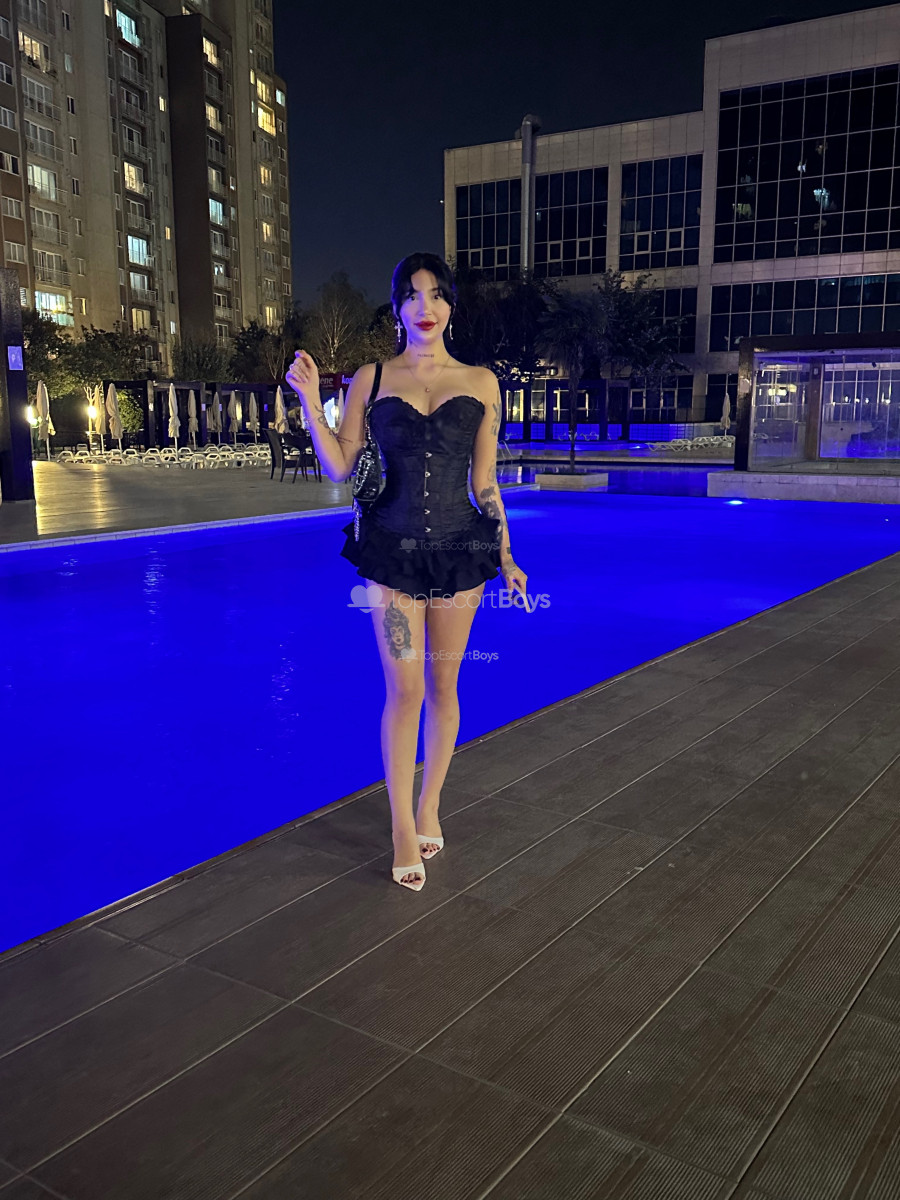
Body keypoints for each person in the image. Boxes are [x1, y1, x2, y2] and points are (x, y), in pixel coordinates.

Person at [286, 251, 528, 892]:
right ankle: (400, 827)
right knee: (405, 690)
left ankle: (429, 806)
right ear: (397, 307)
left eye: (437, 294)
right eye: (413, 295)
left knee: (445, 688)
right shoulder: (370, 378)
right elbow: (341, 467)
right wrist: (311, 401)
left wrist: (506, 554)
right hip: (392, 555)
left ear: (451, 305)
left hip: (461, 554)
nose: (427, 307)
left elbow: (484, 482)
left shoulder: (481, 382)